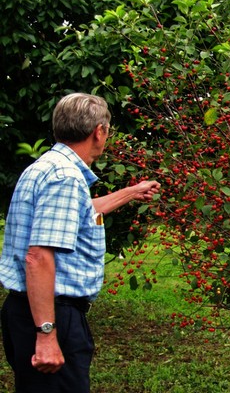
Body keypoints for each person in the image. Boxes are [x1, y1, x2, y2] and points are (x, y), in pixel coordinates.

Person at [0, 93, 160, 392]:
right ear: (99, 131)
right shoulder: (65, 177)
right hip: (51, 315)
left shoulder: (46, 166)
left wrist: (132, 191)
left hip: (25, 311)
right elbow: (38, 257)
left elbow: (81, 213)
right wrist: (47, 335)